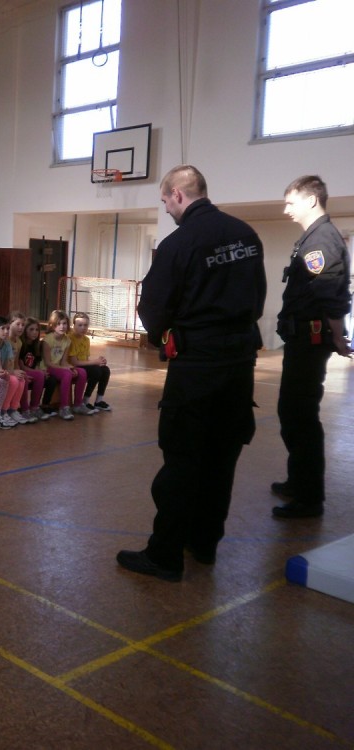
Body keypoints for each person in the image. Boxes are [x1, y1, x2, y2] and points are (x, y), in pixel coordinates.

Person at [118, 164, 266, 582]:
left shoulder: (178, 244)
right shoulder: (246, 235)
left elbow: (153, 307)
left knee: (182, 460)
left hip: (197, 364)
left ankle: (165, 555)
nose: (166, 208)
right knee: (222, 457)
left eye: (165, 200)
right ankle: (204, 543)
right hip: (240, 364)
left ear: (178, 195)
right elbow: (258, 297)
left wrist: (163, 335)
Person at [273, 175, 352, 519]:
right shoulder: (314, 237)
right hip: (302, 339)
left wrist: (338, 336)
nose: (286, 209)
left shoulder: (321, 240)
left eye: (290, 202)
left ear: (311, 200)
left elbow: (329, 293)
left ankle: (309, 498)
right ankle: (298, 482)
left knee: (299, 416)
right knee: (293, 413)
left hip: (310, 340)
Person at [41, 310, 91, 420]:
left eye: (64, 323)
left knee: (82, 372)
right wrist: (66, 369)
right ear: (52, 325)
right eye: (58, 324)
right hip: (47, 368)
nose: (62, 326)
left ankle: (77, 404)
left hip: (59, 367)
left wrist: (71, 367)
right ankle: (64, 407)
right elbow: (48, 362)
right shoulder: (48, 339)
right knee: (67, 374)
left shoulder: (67, 340)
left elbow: (64, 361)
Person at [0, 315, 32, 425]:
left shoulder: (7, 344)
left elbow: (10, 364)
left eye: (7, 328)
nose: (6, 331)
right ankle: (3, 410)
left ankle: (12, 410)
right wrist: (12, 372)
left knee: (21, 379)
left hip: (2, 371)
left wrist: (15, 371)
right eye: (3, 328)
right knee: (13, 380)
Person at [10, 314, 51, 421]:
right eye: (31, 329)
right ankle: (25, 410)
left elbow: (36, 363)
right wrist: (33, 372)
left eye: (37, 330)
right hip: (22, 370)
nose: (35, 332)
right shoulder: (21, 344)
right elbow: (21, 366)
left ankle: (34, 407)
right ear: (25, 330)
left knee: (41, 375)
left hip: (29, 371)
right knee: (25, 378)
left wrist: (39, 371)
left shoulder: (36, 345)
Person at [69, 312, 111, 413]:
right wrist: (94, 362)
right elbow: (74, 362)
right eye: (80, 325)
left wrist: (98, 362)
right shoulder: (70, 339)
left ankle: (98, 401)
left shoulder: (86, 339)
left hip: (83, 365)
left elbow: (86, 360)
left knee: (105, 370)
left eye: (85, 325)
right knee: (96, 371)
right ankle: (85, 401)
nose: (83, 328)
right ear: (73, 325)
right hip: (73, 367)